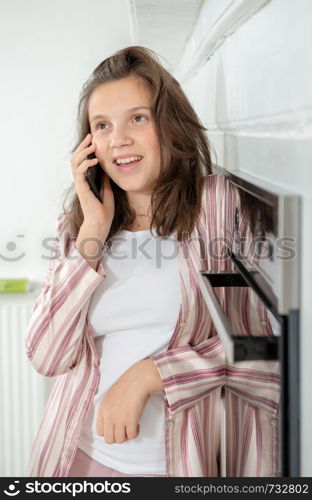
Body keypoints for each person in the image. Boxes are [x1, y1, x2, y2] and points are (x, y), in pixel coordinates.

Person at [24, 46, 280, 477]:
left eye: (138, 118)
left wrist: (154, 374)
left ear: (169, 124)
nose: (118, 139)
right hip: (79, 462)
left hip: (183, 467)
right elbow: (46, 356)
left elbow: (262, 349)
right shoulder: (80, 225)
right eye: (102, 126)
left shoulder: (216, 210)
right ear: (89, 145)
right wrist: (92, 232)